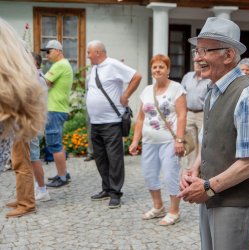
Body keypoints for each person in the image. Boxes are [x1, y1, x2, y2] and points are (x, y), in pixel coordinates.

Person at [178, 17, 249, 250]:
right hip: (214, 194)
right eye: (196, 50)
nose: (197, 57)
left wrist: (208, 187)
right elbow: (211, 138)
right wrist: (195, 168)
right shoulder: (213, 90)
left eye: (205, 50)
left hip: (235, 202)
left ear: (229, 55)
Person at [129, 54, 186, 226]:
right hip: (149, 141)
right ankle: (158, 206)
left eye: (161, 67)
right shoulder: (146, 91)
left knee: (170, 176)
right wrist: (134, 141)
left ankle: (174, 211)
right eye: (154, 67)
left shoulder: (176, 88)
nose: (157, 70)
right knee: (149, 174)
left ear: (168, 69)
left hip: (169, 141)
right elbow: (140, 119)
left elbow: (182, 115)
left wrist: (180, 140)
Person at [86, 40, 142, 208]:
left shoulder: (112, 64)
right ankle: (107, 187)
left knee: (114, 159)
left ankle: (116, 193)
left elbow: (136, 76)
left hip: (111, 122)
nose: (88, 56)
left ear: (98, 52)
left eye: (89, 52)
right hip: (95, 122)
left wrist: (125, 95)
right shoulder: (95, 68)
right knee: (100, 158)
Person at [0, 17, 46, 217]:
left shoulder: (28, 77)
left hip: (19, 126)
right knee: (20, 162)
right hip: (17, 125)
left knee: (22, 163)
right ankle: (23, 199)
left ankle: (27, 203)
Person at [40, 40, 73, 188]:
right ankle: (63, 173)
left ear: (58, 51)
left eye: (49, 51)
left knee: (54, 143)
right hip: (57, 108)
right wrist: (46, 82)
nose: (46, 54)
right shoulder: (62, 65)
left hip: (54, 109)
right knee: (56, 141)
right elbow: (46, 82)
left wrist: (44, 81)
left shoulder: (60, 65)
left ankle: (62, 177)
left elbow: (43, 82)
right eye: (45, 52)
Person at [181, 62, 210, 169]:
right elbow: (181, 95)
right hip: (189, 113)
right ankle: (190, 168)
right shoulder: (187, 77)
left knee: (203, 142)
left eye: (200, 63)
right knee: (190, 143)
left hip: (202, 114)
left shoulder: (209, 79)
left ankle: (200, 169)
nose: (197, 64)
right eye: (196, 62)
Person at [30, 52, 51, 201]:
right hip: (35, 121)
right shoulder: (39, 77)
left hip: (32, 122)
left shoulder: (36, 79)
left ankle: (43, 190)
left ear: (35, 63)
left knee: (34, 157)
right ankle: (39, 187)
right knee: (32, 157)